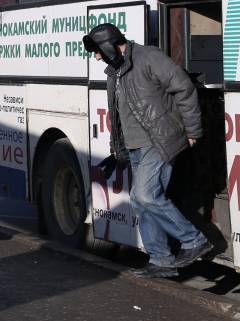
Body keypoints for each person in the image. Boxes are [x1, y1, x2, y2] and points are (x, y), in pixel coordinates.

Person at [83, 23, 212, 278]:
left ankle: (194, 240)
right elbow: (118, 116)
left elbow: (184, 87)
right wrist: (117, 149)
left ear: (109, 45)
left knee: (146, 194)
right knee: (140, 201)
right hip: (135, 146)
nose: (96, 57)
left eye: (98, 50)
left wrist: (193, 131)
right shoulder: (115, 72)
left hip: (160, 140)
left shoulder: (148, 57)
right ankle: (161, 260)